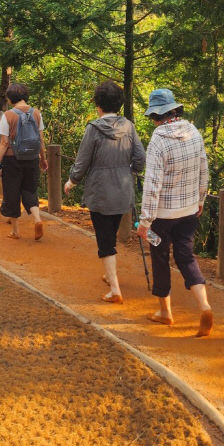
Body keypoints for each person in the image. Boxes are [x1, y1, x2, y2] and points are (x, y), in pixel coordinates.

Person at [137, 88, 213, 337]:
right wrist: (200, 199)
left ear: (156, 116)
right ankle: (204, 305)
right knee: (186, 256)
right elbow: (204, 169)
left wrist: (145, 220)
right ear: (175, 109)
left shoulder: (159, 138)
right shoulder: (193, 131)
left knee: (160, 258)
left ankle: (165, 312)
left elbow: (152, 183)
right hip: (190, 209)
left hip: (162, 215)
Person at [63, 80, 146, 304]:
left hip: (100, 191)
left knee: (105, 241)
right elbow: (140, 158)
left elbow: (82, 162)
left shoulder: (93, 128)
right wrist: (130, 171)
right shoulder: (128, 126)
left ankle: (115, 289)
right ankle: (109, 275)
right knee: (110, 235)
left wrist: (71, 181)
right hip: (122, 189)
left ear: (98, 104)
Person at [0, 82, 48, 240]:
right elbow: (41, 140)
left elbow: (4, 143)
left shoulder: (8, 115)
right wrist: (43, 159)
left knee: (12, 193)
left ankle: (15, 231)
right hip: (32, 158)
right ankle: (37, 219)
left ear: (10, 99)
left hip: (13, 159)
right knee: (30, 190)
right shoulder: (36, 113)